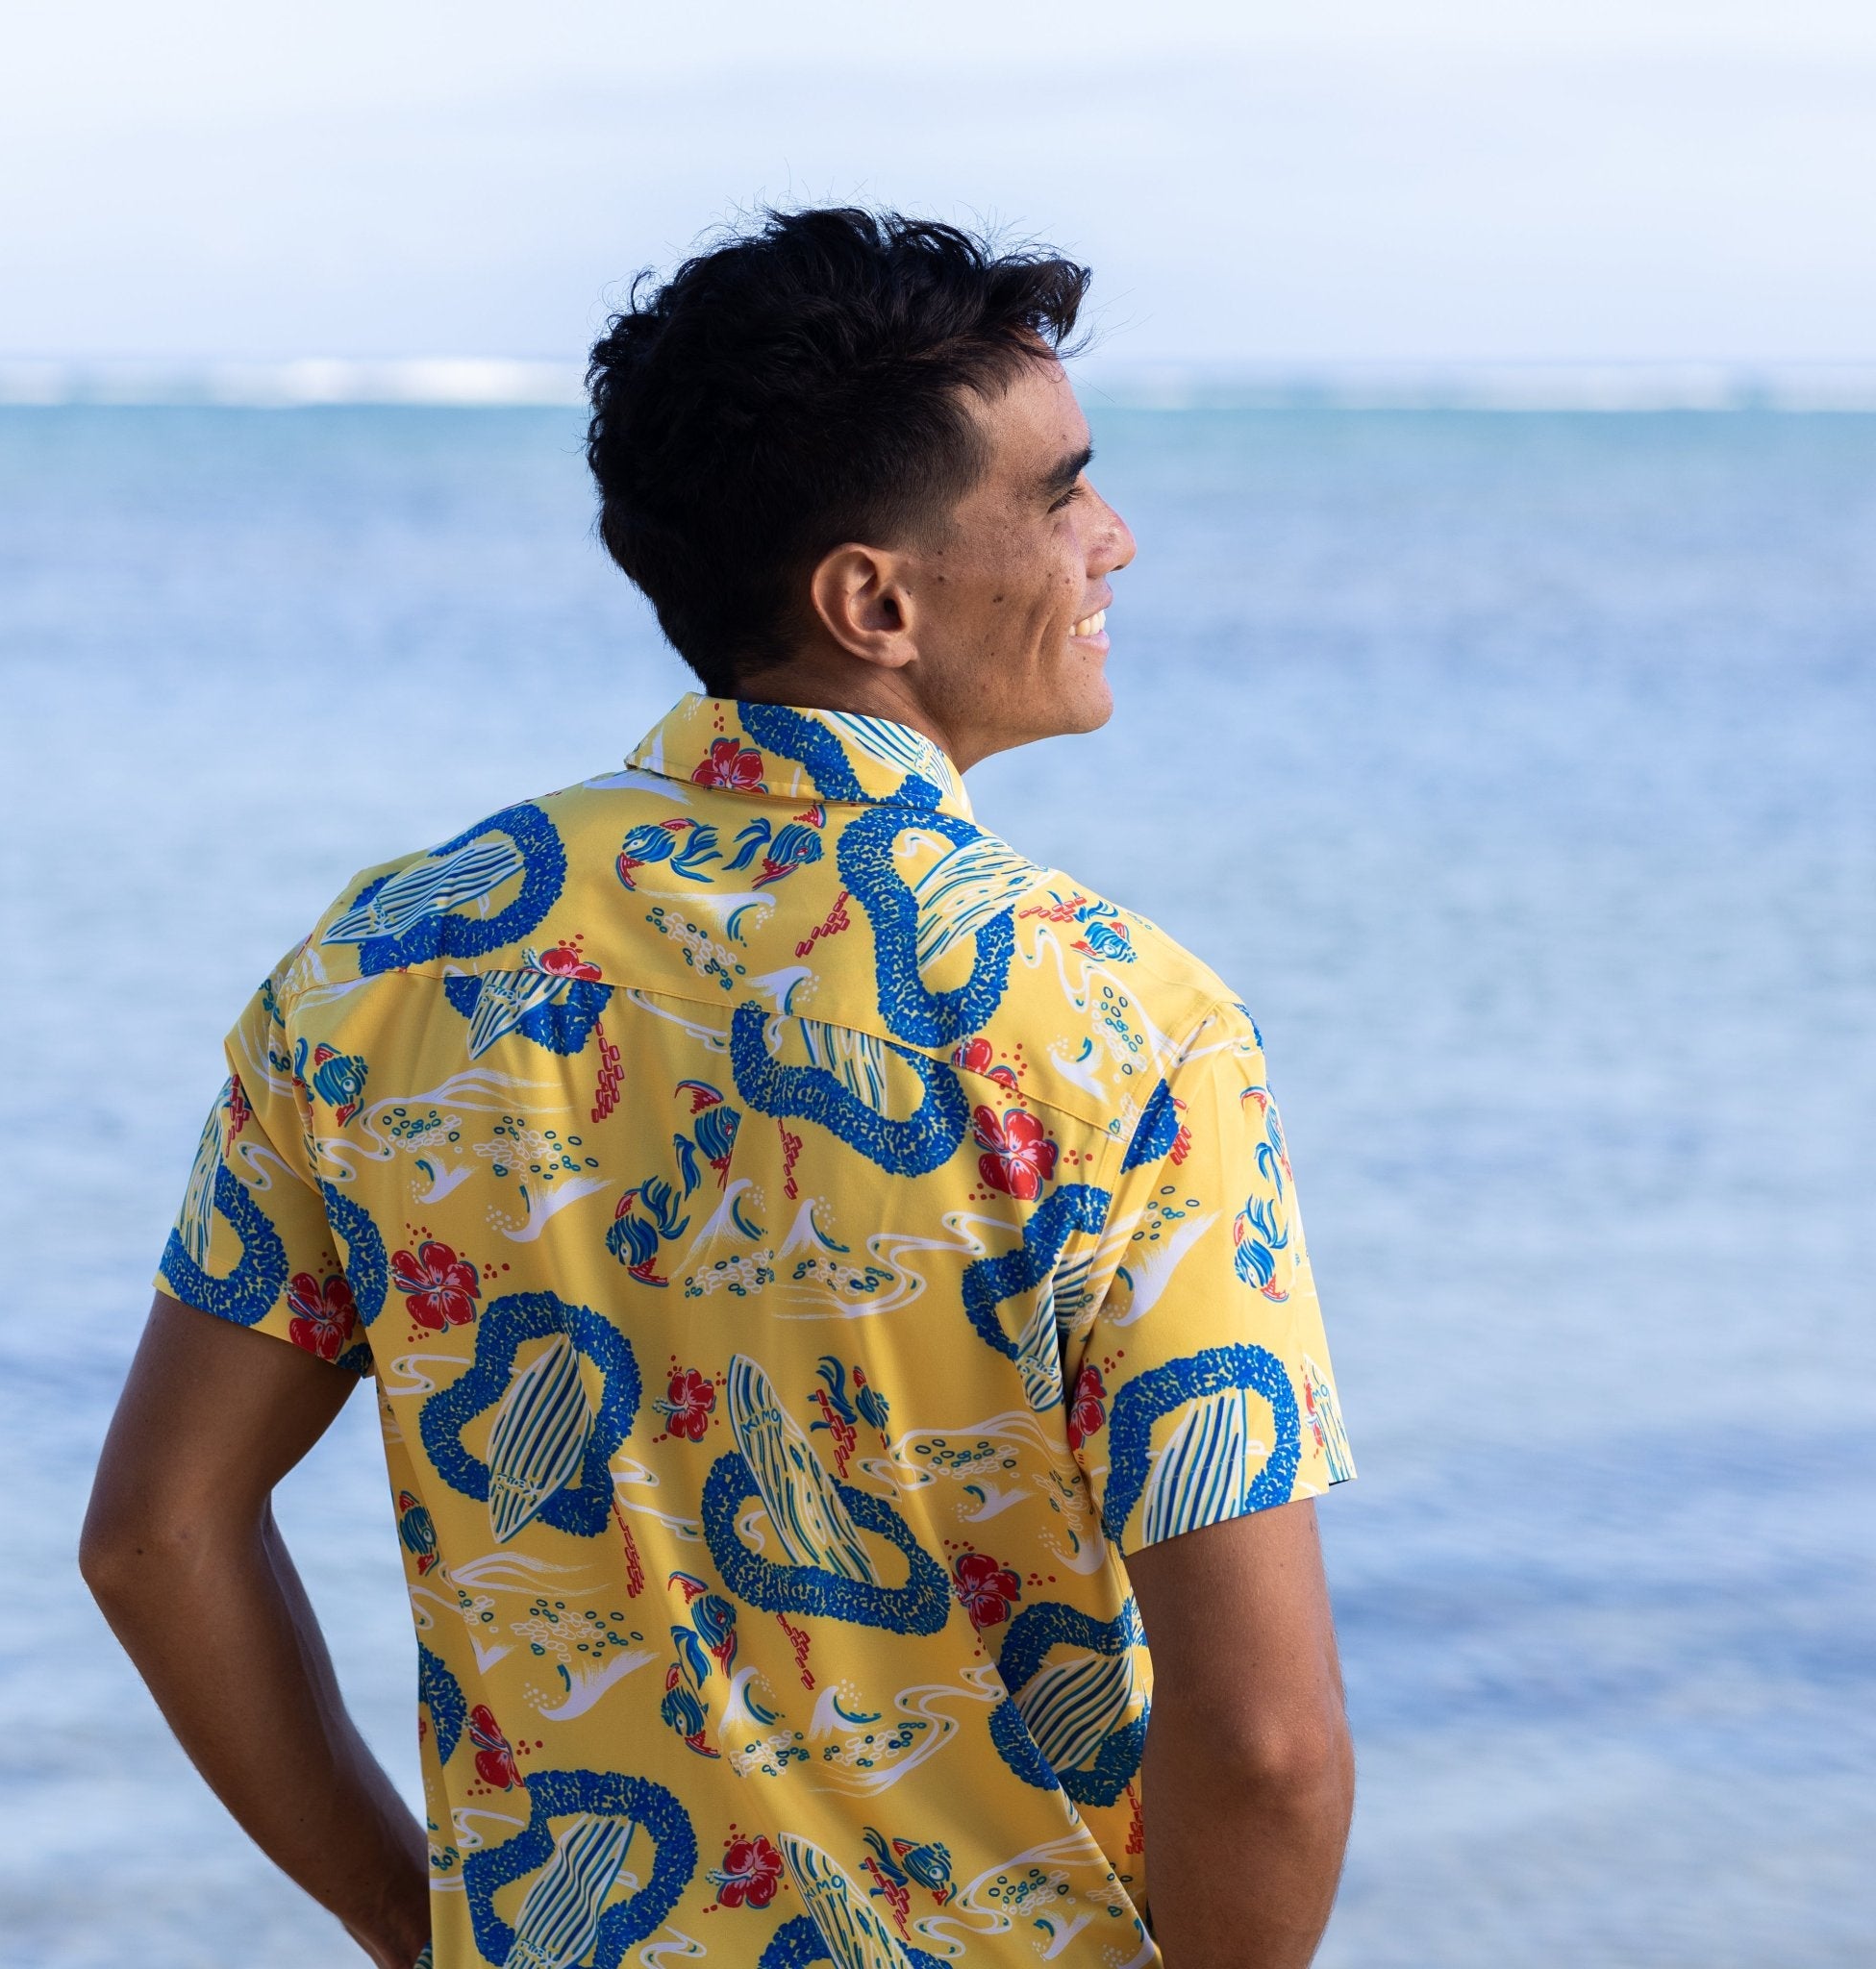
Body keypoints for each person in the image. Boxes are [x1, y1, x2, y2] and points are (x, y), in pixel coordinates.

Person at [81, 207, 1356, 1969]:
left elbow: (155, 1540)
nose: (1114, 539)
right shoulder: (1118, 1029)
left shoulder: (381, 967)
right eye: (1063, 493)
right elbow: (1268, 1750)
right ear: (874, 602)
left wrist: (410, 1918)